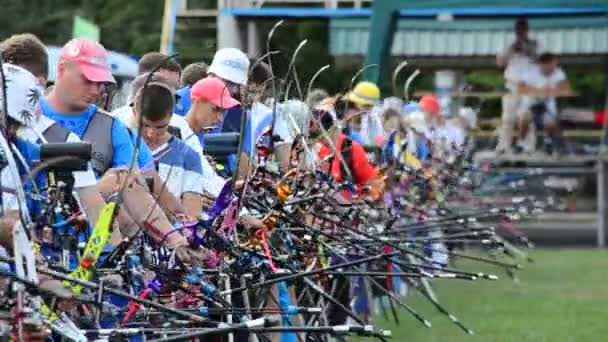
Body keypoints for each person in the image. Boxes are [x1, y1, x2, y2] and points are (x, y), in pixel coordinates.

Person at [39, 38, 200, 259]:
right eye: (88, 80)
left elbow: (138, 189)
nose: (95, 90)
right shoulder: (27, 119)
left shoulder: (112, 127)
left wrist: (178, 239)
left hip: (98, 245)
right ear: (61, 69)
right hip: (38, 239)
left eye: (101, 83)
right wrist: (99, 188)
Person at [130, 75, 204, 218]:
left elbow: (192, 214)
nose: (151, 133)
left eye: (160, 127)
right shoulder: (119, 145)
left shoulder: (188, 156)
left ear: (171, 117)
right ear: (134, 112)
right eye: (144, 125)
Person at [496, 18, 539, 154]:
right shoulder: (509, 46)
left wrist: (527, 49)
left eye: (523, 30)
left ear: (527, 30)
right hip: (512, 85)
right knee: (507, 117)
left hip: (528, 86)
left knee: (526, 117)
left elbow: (541, 60)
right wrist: (511, 50)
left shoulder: (535, 44)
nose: (520, 32)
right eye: (518, 30)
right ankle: (503, 145)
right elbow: (499, 63)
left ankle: (527, 146)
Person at [517, 53, 572, 155]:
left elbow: (566, 90)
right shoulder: (530, 72)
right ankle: (520, 143)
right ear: (542, 64)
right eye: (551, 65)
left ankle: (548, 143)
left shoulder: (558, 73)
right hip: (530, 102)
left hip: (547, 103)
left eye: (555, 65)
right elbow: (521, 89)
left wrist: (552, 91)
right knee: (524, 120)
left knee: (551, 123)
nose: (553, 68)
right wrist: (538, 91)